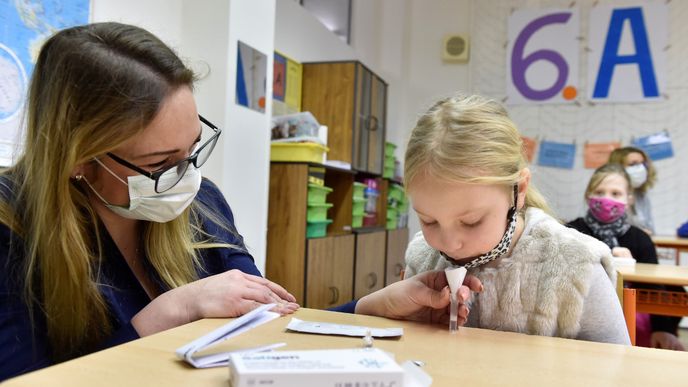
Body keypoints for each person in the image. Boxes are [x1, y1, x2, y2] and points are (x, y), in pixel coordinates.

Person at [0, 23, 478, 381]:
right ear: (78, 158)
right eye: (162, 160)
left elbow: (269, 327)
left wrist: (373, 308)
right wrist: (171, 311)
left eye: (192, 149)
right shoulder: (12, 225)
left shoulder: (202, 203)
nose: (188, 175)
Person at [401, 93, 630, 345]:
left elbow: (617, 369)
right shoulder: (421, 255)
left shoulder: (577, 265)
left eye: (472, 221)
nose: (449, 243)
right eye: (429, 221)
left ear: (519, 190)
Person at [566, 163, 684, 350]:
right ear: (588, 196)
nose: (606, 199)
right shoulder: (571, 231)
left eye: (615, 194)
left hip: (631, 314)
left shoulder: (640, 239)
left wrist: (663, 329)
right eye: (599, 192)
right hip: (581, 310)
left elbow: (655, 287)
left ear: (628, 199)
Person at [608, 146, 657, 235]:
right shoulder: (606, 196)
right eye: (633, 164)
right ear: (618, 167)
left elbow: (650, 229)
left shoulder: (641, 195)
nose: (641, 168)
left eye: (643, 163)